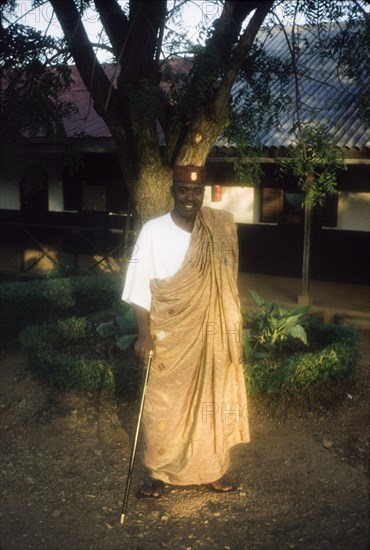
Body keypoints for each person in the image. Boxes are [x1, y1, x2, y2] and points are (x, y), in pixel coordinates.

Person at [122, 165, 249, 498]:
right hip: (167, 333)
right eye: (183, 190)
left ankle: (212, 470)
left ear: (203, 192)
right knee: (162, 405)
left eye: (196, 191)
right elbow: (137, 284)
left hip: (210, 334)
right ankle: (159, 475)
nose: (190, 197)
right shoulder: (150, 231)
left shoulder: (217, 228)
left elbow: (225, 286)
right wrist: (144, 334)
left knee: (212, 398)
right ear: (173, 191)